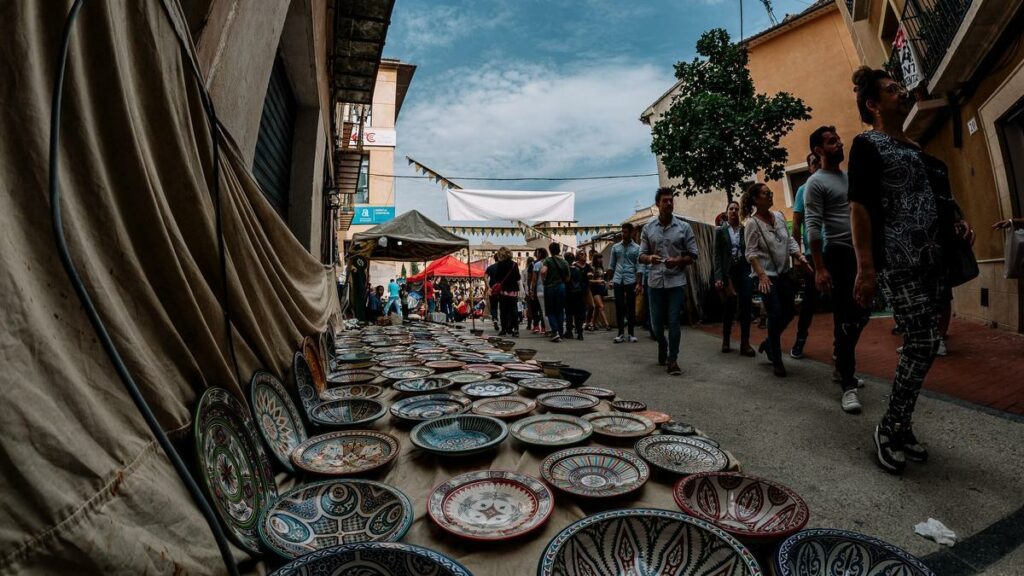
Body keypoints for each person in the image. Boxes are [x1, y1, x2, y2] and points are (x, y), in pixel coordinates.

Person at [848, 66, 974, 474]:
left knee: (926, 343)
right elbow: (860, 208)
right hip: (899, 262)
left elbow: (937, 200)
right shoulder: (867, 145)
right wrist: (866, 268)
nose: (902, 92)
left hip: (934, 260)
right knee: (919, 339)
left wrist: (957, 222)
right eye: (891, 89)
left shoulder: (917, 148)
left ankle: (900, 424)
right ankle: (888, 427)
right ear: (873, 104)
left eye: (900, 86)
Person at [805, 125, 870, 413]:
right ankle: (848, 384)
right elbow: (813, 227)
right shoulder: (815, 184)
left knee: (863, 312)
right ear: (819, 151)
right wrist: (819, 268)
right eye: (832, 142)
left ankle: (840, 360)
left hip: (861, 253)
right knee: (846, 316)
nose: (839, 144)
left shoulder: (849, 177)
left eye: (838, 139)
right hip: (838, 254)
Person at [743, 182, 811, 378]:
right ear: (756, 199)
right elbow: (751, 253)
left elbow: (789, 240)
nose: (771, 195)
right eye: (766, 193)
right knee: (774, 313)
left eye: (771, 192)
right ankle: (777, 360)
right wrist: (762, 275)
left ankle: (768, 343)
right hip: (766, 278)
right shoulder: (752, 224)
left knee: (789, 312)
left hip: (784, 274)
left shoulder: (779, 216)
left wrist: (800, 256)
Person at [639, 188, 699, 376]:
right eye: (665, 201)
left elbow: (693, 255)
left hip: (676, 282)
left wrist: (679, 261)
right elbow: (641, 256)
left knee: (674, 322)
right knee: (656, 324)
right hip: (655, 282)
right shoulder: (648, 228)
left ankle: (673, 360)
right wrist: (650, 259)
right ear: (657, 204)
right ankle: (662, 344)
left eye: (671, 200)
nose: (669, 203)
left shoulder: (683, 227)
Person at [790, 152, 821, 359]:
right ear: (809, 167)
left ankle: (841, 349)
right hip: (812, 254)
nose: (818, 165)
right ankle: (800, 340)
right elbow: (796, 223)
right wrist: (797, 255)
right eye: (814, 162)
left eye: (820, 160)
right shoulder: (803, 190)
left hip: (837, 250)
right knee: (810, 301)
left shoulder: (840, 182)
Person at [713, 201, 754, 356]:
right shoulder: (720, 231)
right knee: (729, 308)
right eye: (731, 209)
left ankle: (745, 343)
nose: (734, 211)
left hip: (744, 271)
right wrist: (718, 277)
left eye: (736, 209)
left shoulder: (745, 230)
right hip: (728, 273)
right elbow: (716, 256)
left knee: (746, 307)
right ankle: (726, 340)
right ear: (727, 212)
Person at [609, 222, 641, 343]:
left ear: (631, 233)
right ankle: (620, 333)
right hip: (618, 280)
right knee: (619, 307)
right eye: (622, 231)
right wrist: (610, 280)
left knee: (631, 307)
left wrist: (639, 283)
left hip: (631, 280)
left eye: (625, 231)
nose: (623, 234)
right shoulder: (615, 247)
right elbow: (611, 265)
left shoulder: (637, 248)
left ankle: (631, 333)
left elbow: (639, 267)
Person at [541, 242, 570, 342]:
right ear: (559, 250)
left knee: (550, 311)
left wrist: (544, 280)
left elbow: (543, 271)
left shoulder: (548, 260)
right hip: (561, 287)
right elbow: (567, 278)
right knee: (560, 310)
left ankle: (555, 331)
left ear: (550, 250)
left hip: (550, 287)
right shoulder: (565, 262)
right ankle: (561, 332)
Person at [492, 247, 522, 336]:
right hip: (513, 290)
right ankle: (515, 329)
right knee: (514, 310)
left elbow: (497, 277)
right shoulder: (514, 264)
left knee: (503, 310)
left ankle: (504, 329)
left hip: (503, 291)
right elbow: (518, 277)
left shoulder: (500, 264)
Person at [566, 251, 591, 340]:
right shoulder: (578, 270)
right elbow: (583, 282)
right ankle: (580, 333)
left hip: (569, 293)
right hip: (579, 292)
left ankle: (569, 332)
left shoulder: (567, 269)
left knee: (569, 313)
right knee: (579, 313)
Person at [589, 253, 611, 330]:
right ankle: (607, 324)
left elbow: (603, 279)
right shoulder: (592, 268)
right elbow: (589, 280)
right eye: (599, 258)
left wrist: (606, 283)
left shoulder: (601, 268)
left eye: (601, 258)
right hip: (594, 288)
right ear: (595, 259)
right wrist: (598, 281)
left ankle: (592, 324)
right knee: (601, 306)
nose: (601, 259)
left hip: (601, 288)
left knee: (597, 307)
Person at [531, 247, 549, 335]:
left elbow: (534, 280)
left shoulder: (537, 264)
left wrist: (532, 290)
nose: (535, 255)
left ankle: (537, 326)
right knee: (546, 310)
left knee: (537, 308)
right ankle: (544, 327)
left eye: (537, 253)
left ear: (540, 254)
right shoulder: (550, 263)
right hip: (549, 289)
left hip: (540, 289)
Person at [485, 255, 500, 331]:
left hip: (493, 289)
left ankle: (495, 319)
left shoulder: (490, 267)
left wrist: (488, 287)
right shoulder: (503, 267)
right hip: (502, 290)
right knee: (503, 306)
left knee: (493, 306)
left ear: (494, 259)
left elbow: (485, 277)